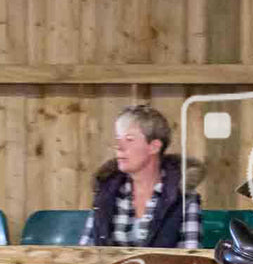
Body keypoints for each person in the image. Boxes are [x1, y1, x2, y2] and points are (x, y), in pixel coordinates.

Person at [78, 104, 203, 250]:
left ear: (154, 147)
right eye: (118, 138)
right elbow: (85, 252)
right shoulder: (106, 191)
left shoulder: (184, 197)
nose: (119, 147)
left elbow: (190, 260)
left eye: (129, 139)